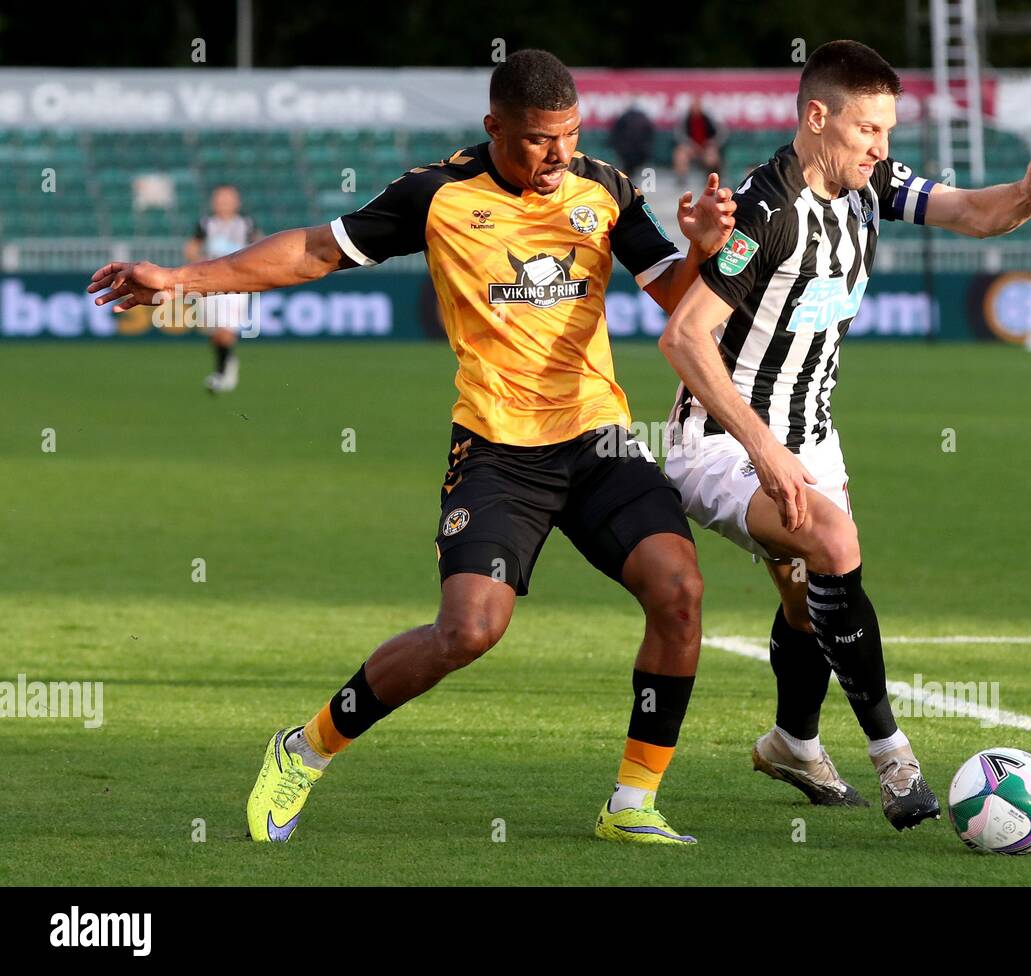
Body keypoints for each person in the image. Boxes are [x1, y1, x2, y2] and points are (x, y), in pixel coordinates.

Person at [88, 49, 737, 846]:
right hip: (497, 450)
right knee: (467, 631)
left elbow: (679, 298)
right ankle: (306, 748)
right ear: (494, 127)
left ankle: (632, 803)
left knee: (679, 592)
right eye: (538, 139)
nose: (558, 154)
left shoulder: (604, 187)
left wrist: (705, 249)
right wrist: (183, 282)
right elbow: (314, 252)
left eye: (568, 135)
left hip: (598, 434)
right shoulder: (436, 195)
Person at [659, 40, 1031, 829]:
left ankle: (793, 740)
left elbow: (970, 212)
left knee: (807, 603)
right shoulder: (767, 208)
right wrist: (765, 454)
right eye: (867, 129)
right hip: (721, 442)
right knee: (830, 544)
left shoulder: (872, 185)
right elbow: (686, 338)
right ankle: (896, 761)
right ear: (817, 117)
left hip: (814, 437)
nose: (881, 148)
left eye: (888, 130)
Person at [185, 184, 259, 393]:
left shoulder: (246, 224)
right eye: (220, 199)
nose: (224, 203)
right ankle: (228, 361)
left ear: (237, 202)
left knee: (227, 330)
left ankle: (221, 373)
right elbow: (191, 248)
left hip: (236, 284)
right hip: (209, 284)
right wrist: (201, 264)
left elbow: (261, 245)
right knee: (215, 332)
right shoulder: (206, 224)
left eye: (228, 199)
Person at [673, 95, 726, 181]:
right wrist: (689, 144)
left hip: (706, 147)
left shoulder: (709, 118)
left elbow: (721, 133)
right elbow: (679, 134)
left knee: (712, 156)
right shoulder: (686, 118)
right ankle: (681, 179)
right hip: (691, 147)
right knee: (680, 154)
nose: (696, 108)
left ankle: (712, 180)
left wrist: (712, 143)